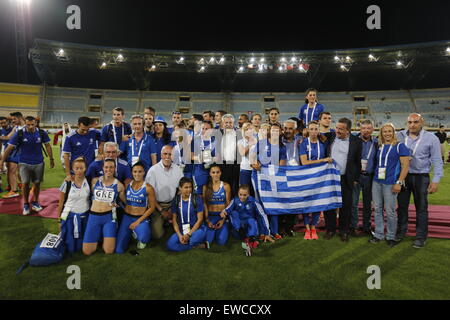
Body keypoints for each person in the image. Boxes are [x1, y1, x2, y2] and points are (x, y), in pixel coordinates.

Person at [396, 113, 444, 248]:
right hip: (403, 176)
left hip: (421, 177)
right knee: (402, 206)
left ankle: (421, 236)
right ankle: (401, 232)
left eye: (415, 122)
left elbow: (437, 160)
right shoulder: (399, 136)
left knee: (421, 208)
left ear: (421, 122)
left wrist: (435, 180)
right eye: (410, 122)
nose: (412, 125)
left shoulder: (431, 138)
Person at [0, 116, 54, 215]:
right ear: (25, 123)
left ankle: (35, 202)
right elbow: (9, 148)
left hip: (39, 162)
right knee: (25, 184)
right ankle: (25, 204)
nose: (30, 127)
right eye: (28, 124)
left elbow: (47, 146)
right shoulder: (19, 133)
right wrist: (2, 161)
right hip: (24, 162)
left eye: (32, 124)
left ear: (36, 123)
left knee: (37, 184)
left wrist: (51, 158)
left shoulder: (42, 133)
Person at [369, 123, 410, 247]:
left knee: (390, 211)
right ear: (381, 133)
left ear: (394, 133)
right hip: (376, 181)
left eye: (390, 131)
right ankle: (379, 234)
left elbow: (406, 166)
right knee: (377, 209)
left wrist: (399, 182)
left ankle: (391, 236)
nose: (387, 133)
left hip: (391, 183)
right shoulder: (379, 146)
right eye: (385, 131)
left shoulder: (400, 146)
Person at [323, 118, 362, 242]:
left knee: (346, 206)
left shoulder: (356, 141)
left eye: (341, 129)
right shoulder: (330, 136)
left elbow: (357, 161)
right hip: (330, 178)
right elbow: (313, 134)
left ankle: (344, 231)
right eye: (337, 127)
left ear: (348, 130)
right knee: (329, 205)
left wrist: (355, 178)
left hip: (346, 178)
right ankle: (330, 229)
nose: (337, 131)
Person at [250, 123, 287, 239]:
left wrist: (271, 171)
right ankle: (262, 231)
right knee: (260, 204)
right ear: (270, 131)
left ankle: (274, 231)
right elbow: (252, 158)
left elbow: (282, 165)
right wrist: (255, 165)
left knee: (273, 203)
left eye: (277, 130)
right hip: (258, 177)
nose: (275, 132)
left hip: (273, 178)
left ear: (281, 132)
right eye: (273, 130)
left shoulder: (282, 147)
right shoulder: (261, 143)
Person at [83, 159, 125, 255]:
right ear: (103, 168)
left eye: (111, 167)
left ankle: (102, 237)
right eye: (106, 167)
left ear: (115, 169)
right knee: (87, 251)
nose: (108, 169)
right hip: (94, 216)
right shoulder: (95, 181)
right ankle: (98, 237)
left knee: (109, 251)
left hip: (109, 218)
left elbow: (125, 201)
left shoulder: (119, 186)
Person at [299, 121, 332, 240]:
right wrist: (323, 161)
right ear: (307, 130)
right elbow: (304, 162)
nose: (313, 131)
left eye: (315, 129)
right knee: (307, 202)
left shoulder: (322, 144)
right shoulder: (303, 143)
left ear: (318, 130)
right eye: (311, 129)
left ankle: (313, 227)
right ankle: (307, 228)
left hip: (320, 177)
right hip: (307, 176)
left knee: (318, 202)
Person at [115, 162, 156, 253]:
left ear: (144, 172)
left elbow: (152, 208)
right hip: (127, 217)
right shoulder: (127, 184)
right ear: (132, 172)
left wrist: (138, 222)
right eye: (135, 171)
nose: (137, 174)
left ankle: (138, 234)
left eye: (140, 172)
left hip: (140, 218)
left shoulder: (148, 188)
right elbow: (123, 197)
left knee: (143, 238)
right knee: (118, 250)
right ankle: (131, 233)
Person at [145, 145, 184, 240]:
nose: (167, 157)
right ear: (161, 155)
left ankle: (170, 220)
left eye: (170, 154)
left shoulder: (178, 170)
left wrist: (172, 208)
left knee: (184, 229)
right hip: (157, 205)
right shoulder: (153, 170)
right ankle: (162, 220)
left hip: (173, 203)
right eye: (165, 154)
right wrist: (162, 211)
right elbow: (150, 195)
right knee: (157, 235)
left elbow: (180, 191)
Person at [224, 184, 270, 255]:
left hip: (250, 226)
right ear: (238, 194)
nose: (242, 197)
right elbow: (227, 209)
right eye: (240, 194)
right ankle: (242, 234)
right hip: (239, 227)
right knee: (233, 212)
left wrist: (266, 232)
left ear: (248, 194)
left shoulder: (253, 201)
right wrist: (224, 212)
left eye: (244, 195)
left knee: (252, 221)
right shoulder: (235, 200)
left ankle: (251, 239)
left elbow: (262, 215)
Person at [58, 157, 91, 253]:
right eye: (76, 168)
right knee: (70, 248)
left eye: (81, 168)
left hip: (84, 216)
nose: (79, 171)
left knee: (81, 247)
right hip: (69, 216)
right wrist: (59, 220)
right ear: (72, 169)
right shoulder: (67, 182)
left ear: (85, 168)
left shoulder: (89, 181)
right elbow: (60, 203)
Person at [167, 177, 209, 251]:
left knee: (192, 240)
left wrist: (189, 234)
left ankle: (191, 242)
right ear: (180, 188)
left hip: (196, 229)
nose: (189, 189)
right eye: (186, 187)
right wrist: (180, 235)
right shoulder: (176, 200)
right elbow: (174, 220)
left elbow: (200, 220)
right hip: (182, 230)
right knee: (170, 244)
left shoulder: (197, 199)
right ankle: (198, 246)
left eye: (190, 187)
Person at [352, 119, 377, 235]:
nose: (366, 131)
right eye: (363, 128)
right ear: (359, 129)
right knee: (354, 203)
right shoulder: (353, 141)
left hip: (369, 177)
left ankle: (367, 227)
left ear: (372, 129)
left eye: (368, 128)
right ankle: (354, 226)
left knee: (368, 204)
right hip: (356, 176)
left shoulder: (377, 142)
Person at [62, 116, 101, 181]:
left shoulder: (94, 133)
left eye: (87, 129)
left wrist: (100, 152)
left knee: (91, 189)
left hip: (91, 170)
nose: (85, 132)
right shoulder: (70, 137)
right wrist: (68, 174)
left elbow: (103, 140)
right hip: (77, 170)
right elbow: (66, 155)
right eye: (83, 130)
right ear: (78, 125)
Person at [203, 164, 232, 246]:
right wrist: (207, 220)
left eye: (217, 172)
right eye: (213, 172)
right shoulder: (206, 187)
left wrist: (223, 220)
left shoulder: (226, 186)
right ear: (210, 173)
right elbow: (204, 204)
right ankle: (212, 230)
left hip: (221, 216)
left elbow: (228, 204)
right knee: (209, 241)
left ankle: (226, 226)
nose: (215, 174)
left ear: (220, 173)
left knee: (221, 241)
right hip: (210, 216)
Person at [215, 114, 241, 195]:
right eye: (226, 122)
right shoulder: (218, 134)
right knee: (223, 187)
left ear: (233, 123)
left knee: (235, 187)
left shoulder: (239, 134)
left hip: (236, 165)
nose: (228, 124)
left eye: (230, 122)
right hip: (222, 165)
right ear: (222, 123)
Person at [191, 121, 216, 194]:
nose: (204, 131)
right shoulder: (195, 140)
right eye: (203, 128)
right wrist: (198, 158)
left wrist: (212, 159)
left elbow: (219, 156)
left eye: (207, 129)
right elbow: (190, 156)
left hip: (213, 170)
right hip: (199, 170)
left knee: (212, 193)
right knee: (200, 193)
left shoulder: (216, 140)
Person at [0, 116, 19, 197]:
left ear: (8, 122)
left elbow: (8, 137)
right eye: (1, 123)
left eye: (4, 122)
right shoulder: (1, 130)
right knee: (9, 170)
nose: (3, 124)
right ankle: (10, 186)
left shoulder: (14, 128)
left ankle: (14, 190)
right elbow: (1, 143)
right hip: (6, 151)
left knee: (12, 171)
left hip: (15, 151)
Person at [238, 123, 257, 190]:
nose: (249, 131)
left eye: (251, 129)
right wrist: (250, 144)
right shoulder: (240, 142)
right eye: (246, 129)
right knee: (245, 189)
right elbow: (242, 153)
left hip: (256, 169)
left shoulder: (258, 139)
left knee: (255, 189)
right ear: (243, 131)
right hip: (245, 169)